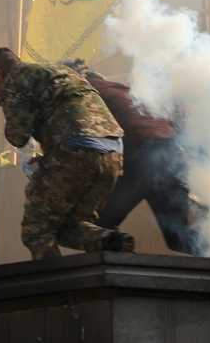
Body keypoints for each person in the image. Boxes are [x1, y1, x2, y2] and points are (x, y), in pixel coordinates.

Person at [0, 47, 133, 259]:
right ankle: (112, 242)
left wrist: (2, 100)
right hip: (112, 153)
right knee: (67, 226)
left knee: (36, 231)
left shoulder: (16, 79)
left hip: (76, 150)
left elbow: (17, 136)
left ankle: (54, 287)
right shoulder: (59, 71)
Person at [66, 61, 200, 255]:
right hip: (171, 156)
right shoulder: (122, 90)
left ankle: (114, 276)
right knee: (179, 239)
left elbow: (89, 138)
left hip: (140, 157)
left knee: (100, 226)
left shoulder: (87, 93)